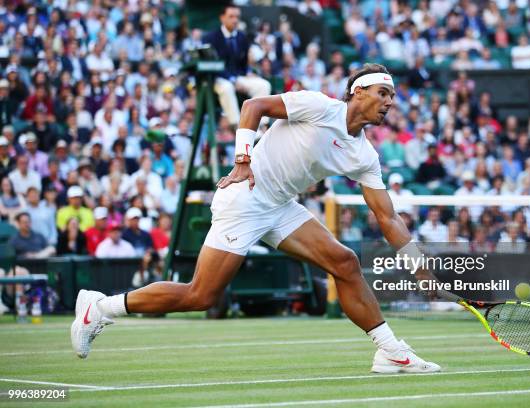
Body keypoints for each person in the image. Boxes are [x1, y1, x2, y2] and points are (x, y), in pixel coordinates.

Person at [71, 63, 440, 373]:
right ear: (357, 92)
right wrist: (243, 159)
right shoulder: (317, 105)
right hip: (245, 198)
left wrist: (417, 262)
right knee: (201, 295)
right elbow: (253, 105)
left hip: (279, 205)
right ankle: (100, 307)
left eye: (391, 96)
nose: (389, 102)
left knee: (345, 262)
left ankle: (390, 350)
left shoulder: (365, 155)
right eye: (382, 93)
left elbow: (386, 215)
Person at [203, 4, 271, 128]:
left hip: (238, 77)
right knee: (227, 87)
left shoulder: (241, 37)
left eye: (237, 17)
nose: (235, 20)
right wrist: (233, 80)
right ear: (222, 18)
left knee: (263, 85)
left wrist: (248, 72)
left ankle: (260, 126)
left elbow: (243, 63)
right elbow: (212, 66)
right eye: (231, 16)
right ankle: (238, 126)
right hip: (217, 79)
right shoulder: (210, 38)